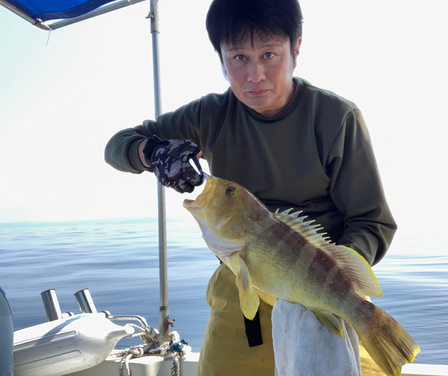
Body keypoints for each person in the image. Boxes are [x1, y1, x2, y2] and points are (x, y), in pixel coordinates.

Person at [105, 0, 397, 375]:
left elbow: (371, 222)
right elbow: (118, 145)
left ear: (296, 50)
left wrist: (331, 275)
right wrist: (152, 151)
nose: (255, 74)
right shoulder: (209, 115)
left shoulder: (337, 118)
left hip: (325, 285)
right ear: (221, 60)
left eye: (269, 54)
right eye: (239, 57)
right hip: (241, 277)